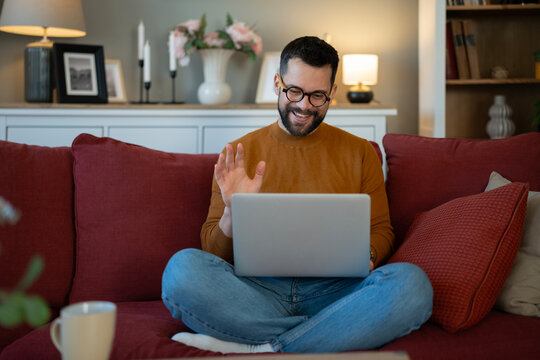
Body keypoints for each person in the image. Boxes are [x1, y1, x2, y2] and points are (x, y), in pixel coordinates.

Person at [162, 36, 433, 354]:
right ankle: (326, 334)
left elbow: (382, 231)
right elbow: (211, 251)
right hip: (257, 292)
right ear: (277, 83)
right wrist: (234, 211)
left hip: (337, 291)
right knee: (182, 270)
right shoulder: (239, 153)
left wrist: (369, 255)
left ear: (332, 93)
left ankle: (263, 347)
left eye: (318, 96)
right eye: (295, 91)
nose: (304, 105)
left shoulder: (360, 152)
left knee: (411, 285)